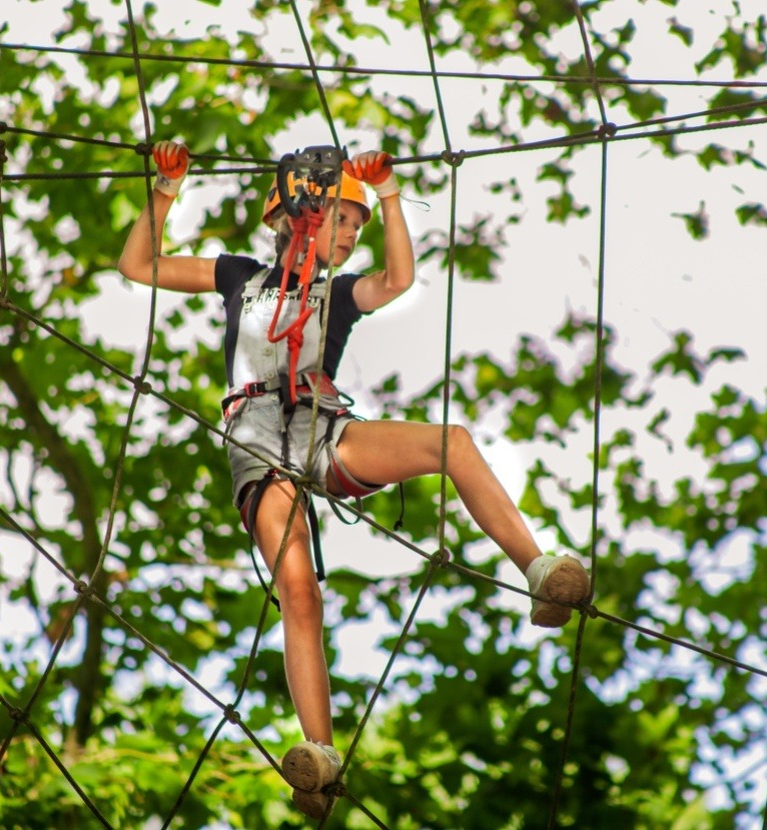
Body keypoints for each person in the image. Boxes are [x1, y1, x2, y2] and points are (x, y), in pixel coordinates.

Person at [117, 139, 591, 819]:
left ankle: (539, 571)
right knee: (299, 588)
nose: (349, 237)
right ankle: (319, 757)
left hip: (323, 425)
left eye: (356, 228)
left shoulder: (338, 293)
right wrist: (164, 191)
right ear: (297, 213)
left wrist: (389, 195)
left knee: (451, 443)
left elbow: (395, 281)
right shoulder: (238, 277)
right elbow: (139, 265)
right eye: (342, 220)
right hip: (254, 432)